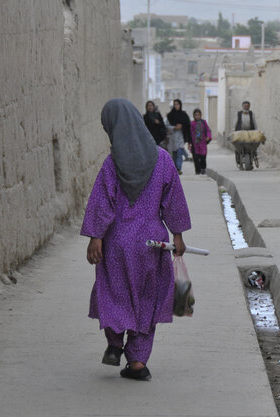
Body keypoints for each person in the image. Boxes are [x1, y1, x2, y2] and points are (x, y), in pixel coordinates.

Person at [81, 98, 191, 381]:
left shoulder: (112, 164)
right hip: (152, 244)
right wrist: (177, 235)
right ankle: (138, 361)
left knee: (115, 292)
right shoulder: (163, 160)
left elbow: (102, 202)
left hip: (117, 242)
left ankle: (115, 344)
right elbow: (173, 202)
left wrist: (96, 237)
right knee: (147, 298)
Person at [166, 99, 191, 174]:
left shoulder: (184, 115)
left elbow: (188, 125)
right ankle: (175, 168)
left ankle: (179, 168)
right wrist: (174, 127)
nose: (176, 106)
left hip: (181, 137)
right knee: (174, 154)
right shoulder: (170, 115)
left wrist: (182, 126)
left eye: (177, 104)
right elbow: (166, 125)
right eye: (175, 104)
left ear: (180, 105)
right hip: (172, 137)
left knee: (179, 152)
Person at [234, 101, 258, 166]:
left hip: (250, 132)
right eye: (245, 106)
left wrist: (256, 131)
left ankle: (254, 154)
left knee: (254, 143)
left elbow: (254, 122)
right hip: (240, 132)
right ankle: (238, 159)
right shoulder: (239, 113)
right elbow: (236, 122)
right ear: (242, 106)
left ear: (249, 107)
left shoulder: (251, 113)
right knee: (237, 146)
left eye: (248, 106)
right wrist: (234, 131)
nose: (246, 107)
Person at [189, 108, 212, 175]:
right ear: (194, 116)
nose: (197, 116)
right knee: (196, 159)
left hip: (202, 144)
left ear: (200, 115)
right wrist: (189, 143)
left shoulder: (203, 122)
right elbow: (190, 133)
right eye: (196, 115)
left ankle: (203, 169)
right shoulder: (192, 123)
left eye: (198, 115)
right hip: (195, 144)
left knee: (203, 158)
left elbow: (208, 130)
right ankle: (198, 171)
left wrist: (208, 136)